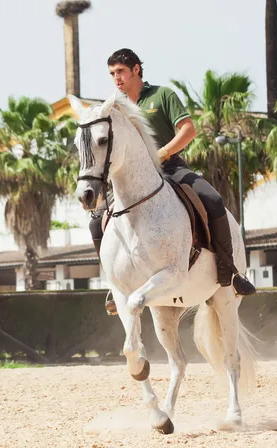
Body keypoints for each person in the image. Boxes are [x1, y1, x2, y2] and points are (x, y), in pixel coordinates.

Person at [90, 48, 256, 315]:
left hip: (170, 168)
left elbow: (188, 130)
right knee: (96, 221)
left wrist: (163, 152)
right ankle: (115, 283)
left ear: (136, 69)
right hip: (132, 181)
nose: (116, 78)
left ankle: (231, 272)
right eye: (112, 73)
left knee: (213, 200)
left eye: (120, 71)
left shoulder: (162, 95)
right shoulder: (115, 107)